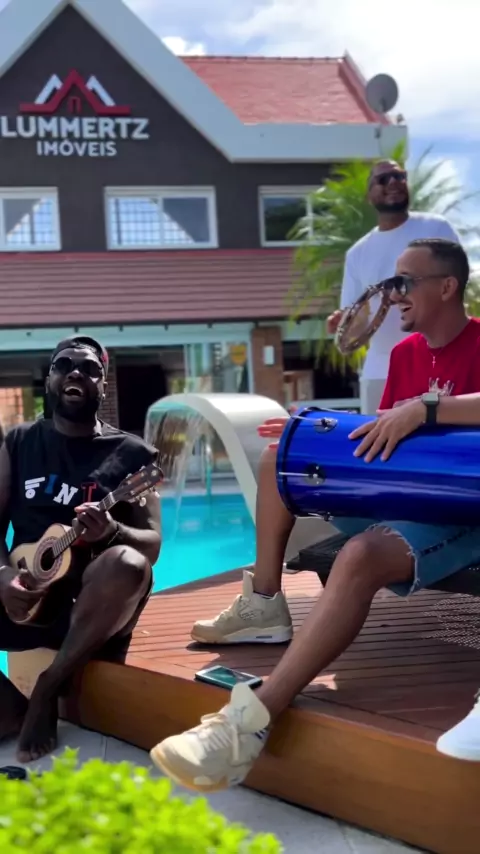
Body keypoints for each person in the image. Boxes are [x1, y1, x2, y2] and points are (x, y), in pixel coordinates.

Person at [149, 238, 480, 789]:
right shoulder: (405, 354)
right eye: (389, 283)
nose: (392, 295)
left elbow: (419, 417)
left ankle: (248, 723)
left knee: (361, 554)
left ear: (447, 287)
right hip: (405, 493)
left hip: (463, 513)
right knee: (279, 459)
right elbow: (385, 431)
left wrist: (426, 408)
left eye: (403, 282)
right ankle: (263, 604)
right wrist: (314, 434)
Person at [0, 336, 161, 763]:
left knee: (128, 562)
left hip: (89, 613)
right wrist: (3, 576)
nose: (76, 372)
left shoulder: (133, 454)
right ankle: (13, 708)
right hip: (25, 598)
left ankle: (48, 688)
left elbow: (152, 544)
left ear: (103, 386)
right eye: (64, 365)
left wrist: (112, 531)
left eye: (90, 369)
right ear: (49, 380)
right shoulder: (18, 442)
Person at [327, 160, 460, 414]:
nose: (393, 183)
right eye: (383, 179)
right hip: (381, 370)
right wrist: (343, 323)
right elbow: (359, 322)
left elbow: (456, 287)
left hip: (440, 361)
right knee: (376, 439)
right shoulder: (357, 253)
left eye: (399, 177)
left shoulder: (436, 227)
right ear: (369, 196)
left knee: (442, 436)